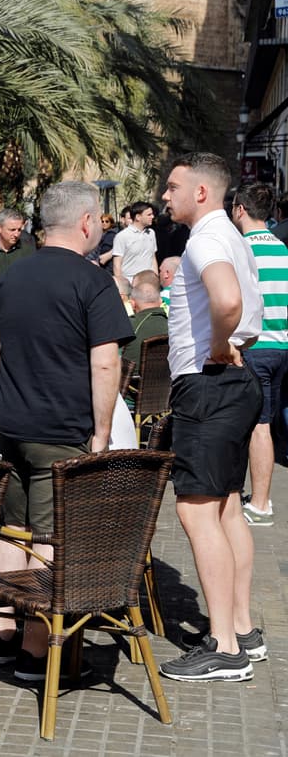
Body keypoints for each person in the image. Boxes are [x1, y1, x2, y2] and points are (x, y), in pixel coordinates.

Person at [0, 181, 132, 681]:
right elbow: (106, 363)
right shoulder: (92, 282)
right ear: (87, 222)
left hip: (11, 425)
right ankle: (35, 651)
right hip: (60, 429)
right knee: (48, 536)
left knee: (12, 529)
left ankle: (0, 633)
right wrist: (103, 435)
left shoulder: (10, 275)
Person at [157, 153, 266, 682]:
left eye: (173, 187)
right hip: (229, 386)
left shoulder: (204, 239)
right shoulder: (230, 235)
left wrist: (219, 345)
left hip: (210, 384)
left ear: (201, 192)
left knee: (198, 513)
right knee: (225, 509)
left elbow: (227, 300)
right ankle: (241, 630)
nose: (164, 196)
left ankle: (224, 647)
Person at [229, 182, 288, 526]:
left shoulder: (241, 251)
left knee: (257, 426)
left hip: (255, 347)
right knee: (262, 423)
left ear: (239, 210)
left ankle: (261, 503)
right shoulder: (283, 249)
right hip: (281, 346)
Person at [122, 272, 169, 370]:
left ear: (133, 304)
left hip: (131, 382)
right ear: (160, 302)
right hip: (170, 381)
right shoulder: (174, 325)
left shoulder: (128, 326)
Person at [113, 200, 158, 280]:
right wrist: (122, 286)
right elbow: (117, 264)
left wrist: (156, 278)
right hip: (130, 283)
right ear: (138, 217)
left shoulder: (151, 233)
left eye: (152, 214)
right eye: (149, 215)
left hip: (149, 282)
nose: (152, 217)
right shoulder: (122, 236)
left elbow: (153, 258)